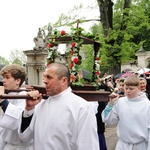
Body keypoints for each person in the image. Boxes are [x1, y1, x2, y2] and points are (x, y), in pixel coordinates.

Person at [18, 63, 99, 150]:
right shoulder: (40, 105)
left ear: (64, 81)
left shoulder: (82, 107)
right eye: (44, 77)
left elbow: (87, 144)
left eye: (49, 77)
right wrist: (29, 109)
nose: (44, 81)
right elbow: (25, 137)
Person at [102, 76, 150, 150]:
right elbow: (108, 120)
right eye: (126, 88)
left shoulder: (147, 105)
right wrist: (110, 104)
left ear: (138, 88)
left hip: (141, 145)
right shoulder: (120, 102)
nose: (128, 91)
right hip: (122, 145)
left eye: (131, 89)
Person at [0, 64, 33, 150]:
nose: (3, 80)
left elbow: (18, 119)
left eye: (7, 77)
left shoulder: (24, 96)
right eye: (3, 77)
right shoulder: (10, 95)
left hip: (20, 147)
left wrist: (3, 102)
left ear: (17, 80)